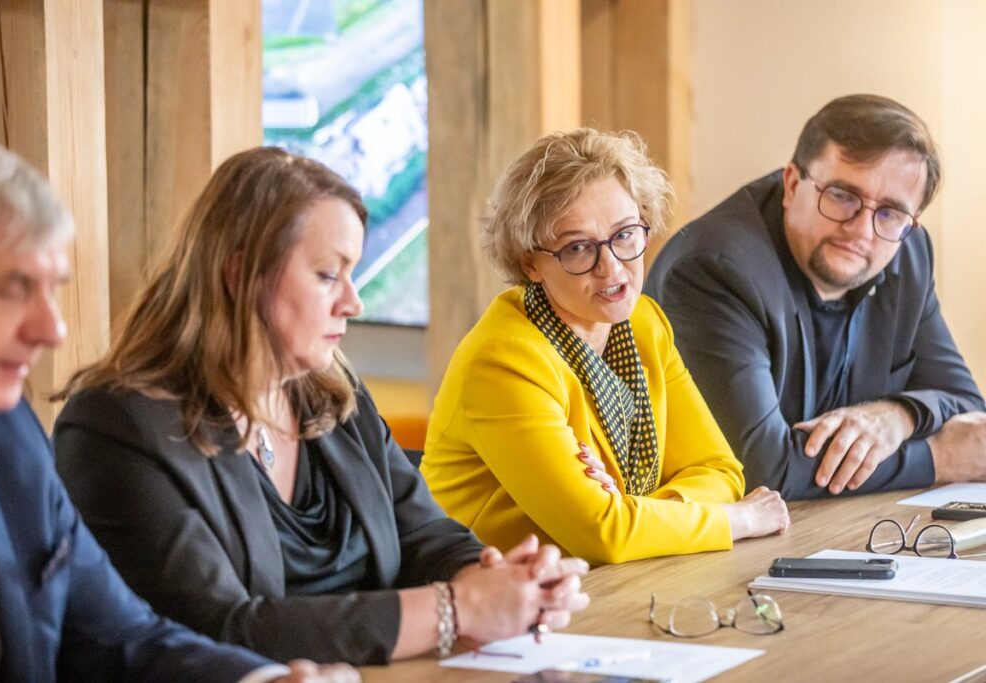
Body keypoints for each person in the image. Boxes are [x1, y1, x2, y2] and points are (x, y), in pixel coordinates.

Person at [53, 146, 589, 666]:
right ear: (240, 276)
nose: (352, 302)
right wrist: (457, 609)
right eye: (328, 275)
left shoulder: (334, 393)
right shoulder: (116, 425)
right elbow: (217, 629)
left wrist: (500, 580)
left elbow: (424, 536)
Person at [0, 133, 358, 682]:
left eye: (53, 291)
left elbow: (120, 637)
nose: (52, 329)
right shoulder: (115, 421)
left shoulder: (5, 436)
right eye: (13, 288)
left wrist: (262, 682)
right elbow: (222, 619)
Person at [420, 128, 789, 565]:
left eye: (625, 234)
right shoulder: (503, 360)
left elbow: (721, 471)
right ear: (530, 263)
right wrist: (736, 521)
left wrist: (638, 515)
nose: (612, 267)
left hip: (604, 583)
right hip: (487, 596)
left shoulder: (645, 323)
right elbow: (605, 535)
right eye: (578, 248)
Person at [645, 94, 986, 500]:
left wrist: (897, 416)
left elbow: (965, 405)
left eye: (890, 212)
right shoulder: (714, 269)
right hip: (703, 543)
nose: (861, 229)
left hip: (833, 528)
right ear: (792, 184)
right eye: (842, 195)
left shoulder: (907, 251)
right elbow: (758, 468)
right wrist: (937, 457)